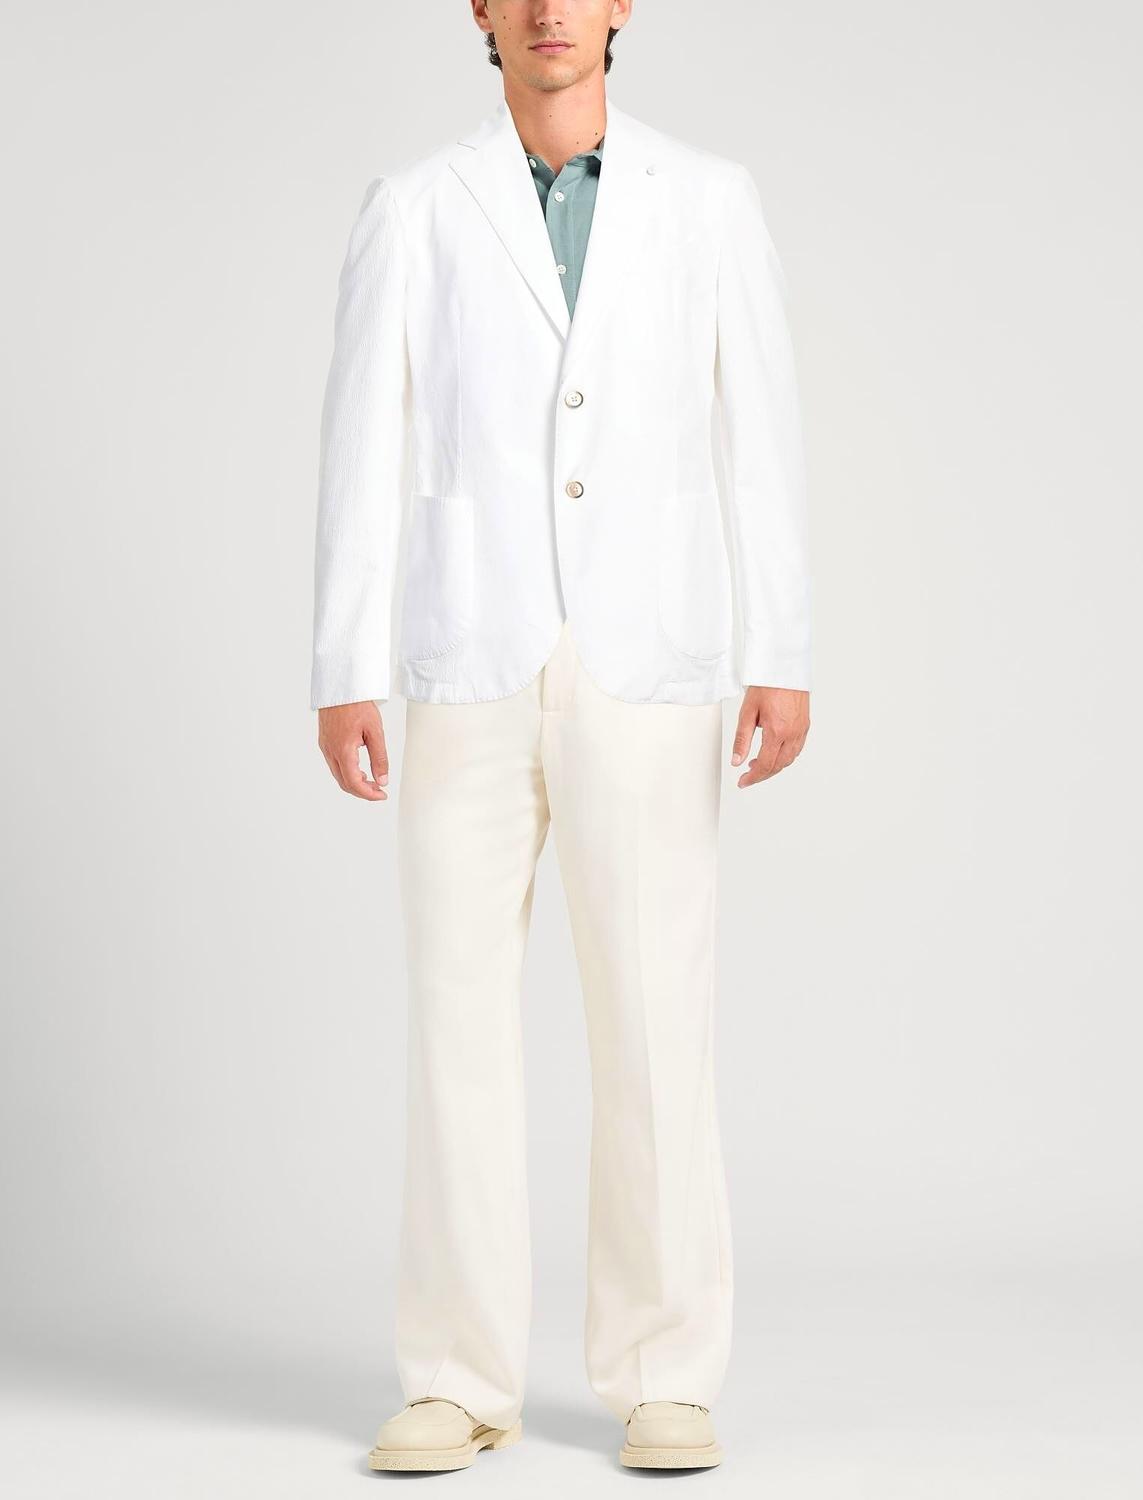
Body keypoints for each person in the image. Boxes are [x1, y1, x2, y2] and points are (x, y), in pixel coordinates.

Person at [310, 0, 811, 1473]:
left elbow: (761, 431)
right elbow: (362, 439)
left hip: (649, 654)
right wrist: (344, 662)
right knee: (456, 1019)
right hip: (466, 651)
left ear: (619, 7)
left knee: (656, 1014)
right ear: (478, 8)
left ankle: (666, 1370)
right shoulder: (414, 205)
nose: (547, 10)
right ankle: (457, 1377)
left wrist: (779, 649)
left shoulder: (708, 199)